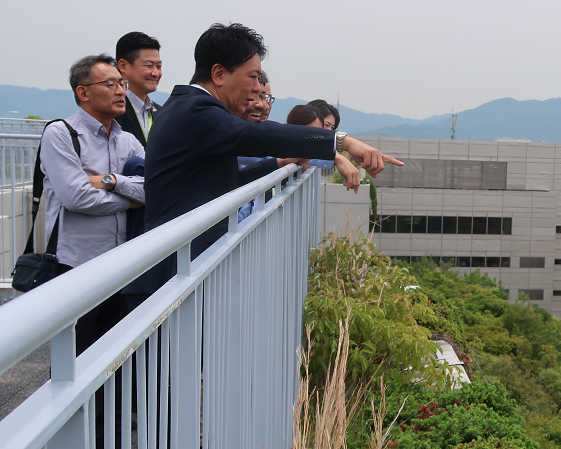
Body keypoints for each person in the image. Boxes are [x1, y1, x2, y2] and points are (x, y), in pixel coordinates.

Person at [135, 23, 401, 295]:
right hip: (171, 276)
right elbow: (256, 134)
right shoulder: (197, 110)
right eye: (252, 77)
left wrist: (278, 163)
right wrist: (341, 142)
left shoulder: (186, 105)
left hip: (179, 267)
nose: (256, 90)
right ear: (218, 73)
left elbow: (215, 181)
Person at [41, 54, 145, 350]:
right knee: (73, 362)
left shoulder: (127, 140)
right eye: (110, 83)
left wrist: (112, 181)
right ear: (83, 92)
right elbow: (77, 197)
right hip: (75, 265)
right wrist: (129, 201)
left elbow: (154, 187)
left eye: (121, 83)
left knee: (115, 359)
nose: (121, 91)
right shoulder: (61, 134)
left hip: (122, 263)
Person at [285, 103, 360, 184]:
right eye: (326, 125)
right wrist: (337, 158)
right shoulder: (280, 146)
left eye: (332, 127)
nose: (329, 131)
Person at [115, 32, 163, 146]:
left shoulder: (161, 113)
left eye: (159, 66)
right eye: (149, 65)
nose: (155, 73)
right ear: (123, 66)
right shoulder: (111, 111)